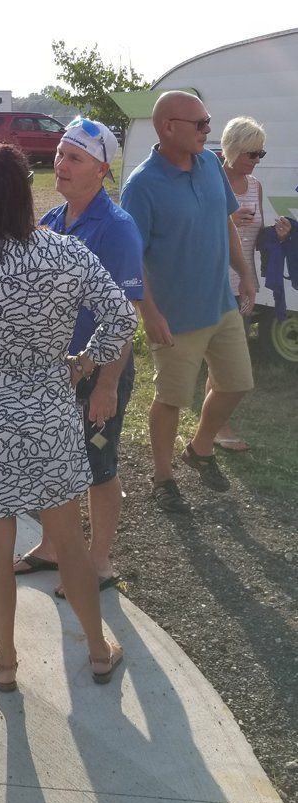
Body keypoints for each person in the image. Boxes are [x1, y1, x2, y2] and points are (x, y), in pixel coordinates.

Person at [0, 144, 138, 689]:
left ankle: (8, 660)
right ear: (24, 194)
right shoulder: (66, 253)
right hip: (50, 412)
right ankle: (97, 649)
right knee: (68, 539)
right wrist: (84, 361)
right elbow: (118, 318)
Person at [12, 117, 143, 596]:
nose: (60, 164)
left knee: (98, 465)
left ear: (102, 170)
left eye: (75, 158)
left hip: (98, 371)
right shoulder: (52, 219)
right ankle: (51, 547)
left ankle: (100, 560)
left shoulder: (117, 228)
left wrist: (107, 384)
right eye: (61, 154)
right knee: (54, 462)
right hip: (56, 372)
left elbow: (125, 315)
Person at [121, 91, 256, 513]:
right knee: (171, 400)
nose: (208, 130)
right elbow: (132, 256)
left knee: (237, 383)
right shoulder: (142, 185)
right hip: (176, 316)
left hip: (221, 303)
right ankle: (163, 477)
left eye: (208, 120)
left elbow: (225, 222)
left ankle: (198, 449)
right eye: (199, 124)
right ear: (168, 128)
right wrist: (150, 312)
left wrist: (246, 273)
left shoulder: (211, 165)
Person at [209, 116, 292, 452]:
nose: (257, 161)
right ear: (231, 150)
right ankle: (217, 426)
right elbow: (193, 232)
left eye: (261, 154)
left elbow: (256, 238)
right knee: (225, 361)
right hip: (212, 281)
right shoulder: (211, 182)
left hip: (242, 285)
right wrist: (226, 221)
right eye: (251, 154)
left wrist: (278, 234)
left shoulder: (255, 186)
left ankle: (211, 425)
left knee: (230, 359)